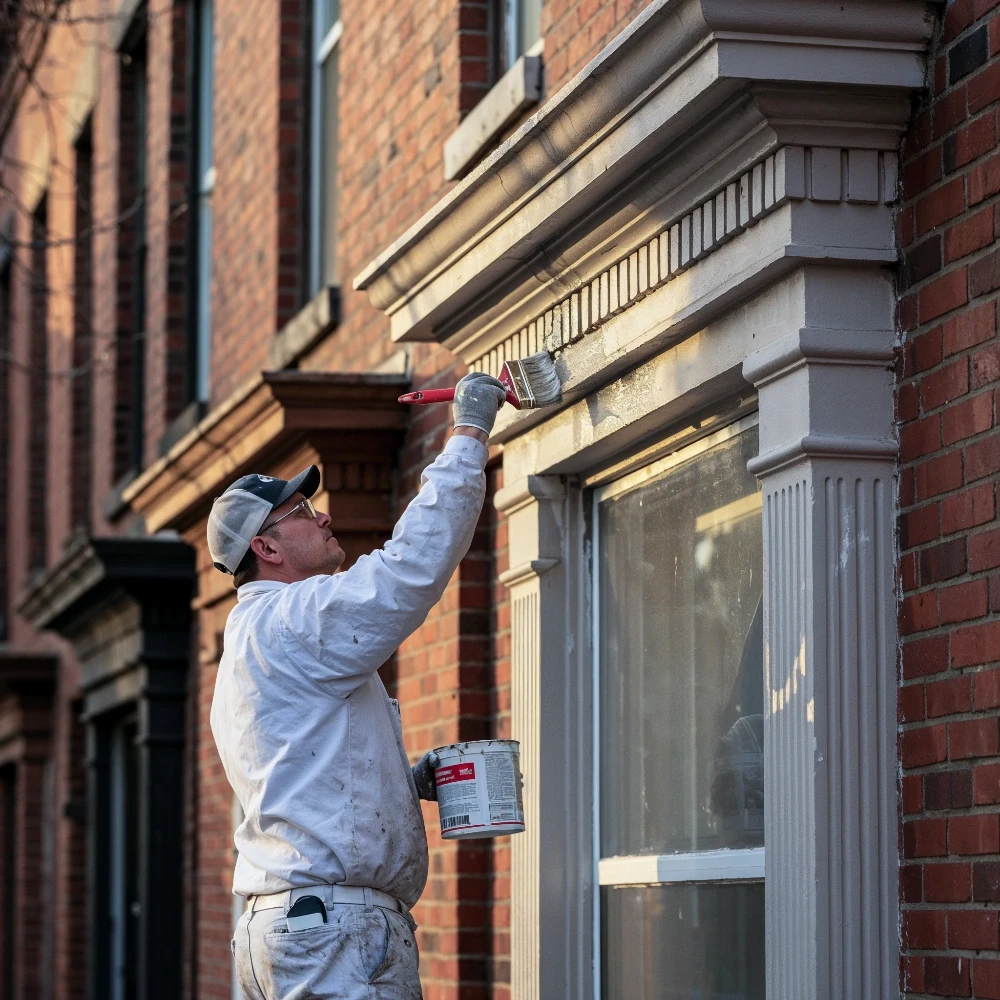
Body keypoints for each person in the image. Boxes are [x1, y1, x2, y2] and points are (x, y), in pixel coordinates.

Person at [207, 372, 509, 1000]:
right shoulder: (292, 621)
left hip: (302, 927)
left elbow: (309, 768)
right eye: (302, 514)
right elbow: (410, 569)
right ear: (265, 546)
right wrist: (469, 435)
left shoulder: (254, 639)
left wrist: (403, 779)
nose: (324, 518)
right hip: (331, 932)